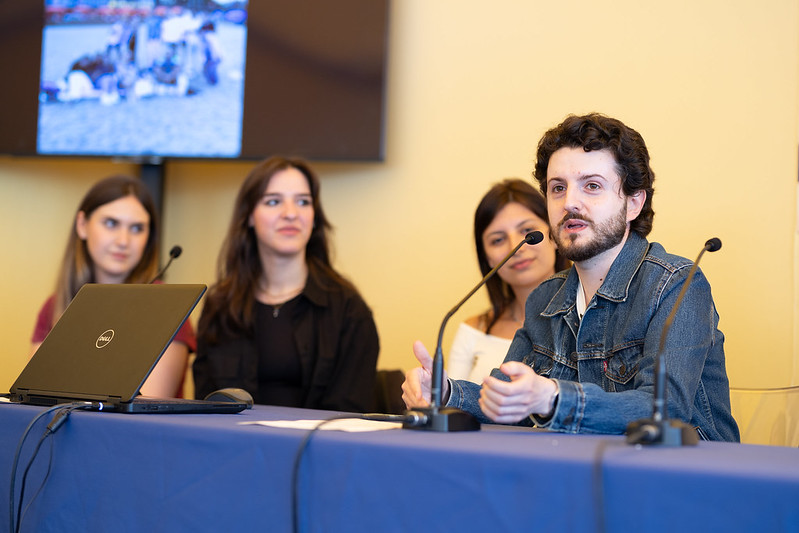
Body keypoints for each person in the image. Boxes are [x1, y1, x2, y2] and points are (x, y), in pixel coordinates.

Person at [403, 113, 740, 442]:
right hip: (583, 470)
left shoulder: (676, 284)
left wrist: (552, 398)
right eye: (557, 188)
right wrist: (444, 392)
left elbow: (664, 409)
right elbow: (507, 400)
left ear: (633, 203)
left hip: (683, 473)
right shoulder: (544, 298)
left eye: (592, 186)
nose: (570, 203)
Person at [193, 156, 380, 412]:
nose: (291, 214)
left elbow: (348, 414)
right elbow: (205, 407)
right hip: (234, 438)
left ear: (314, 217)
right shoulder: (219, 306)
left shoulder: (349, 309)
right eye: (273, 201)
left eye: (303, 202)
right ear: (249, 216)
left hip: (316, 439)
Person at [30, 175, 195, 398]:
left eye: (137, 228)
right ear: (82, 225)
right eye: (111, 223)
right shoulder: (54, 305)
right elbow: (36, 395)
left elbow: (144, 406)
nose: (123, 241)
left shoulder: (169, 307)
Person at [447, 179, 569, 383]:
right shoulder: (473, 331)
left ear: (555, 234)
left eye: (527, 231)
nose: (516, 247)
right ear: (487, 258)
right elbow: (449, 402)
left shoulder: (590, 316)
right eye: (498, 240)